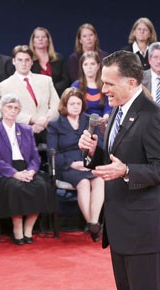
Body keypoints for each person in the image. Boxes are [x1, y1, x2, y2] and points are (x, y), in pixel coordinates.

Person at [78, 50, 160, 290]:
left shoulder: (153, 116)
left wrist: (127, 171)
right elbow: (116, 161)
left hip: (144, 230)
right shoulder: (116, 111)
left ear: (131, 83)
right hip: (120, 226)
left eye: (109, 83)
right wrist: (94, 153)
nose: (103, 89)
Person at [0, 93, 55, 245]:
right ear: (1, 109)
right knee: (15, 187)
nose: (13, 110)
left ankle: (28, 228)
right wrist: (15, 174)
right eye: (9, 107)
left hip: (26, 168)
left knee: (41, 185)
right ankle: (17, 228)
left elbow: (35, 157)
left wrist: (31, 171)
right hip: (5, 171)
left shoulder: (26, 130)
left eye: (16, 108)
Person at [47, 87, 104, 242]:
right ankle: (93, 224)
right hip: (67, 166)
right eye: (71, 103)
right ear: (64, 105)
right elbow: (52, 152)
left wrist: (90, 161)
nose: (75, 106)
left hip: (89, 163)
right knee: (84, 183)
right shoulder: (55, 125)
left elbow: (101, 146)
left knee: (99, 180)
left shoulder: (90, 122)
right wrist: (72, 164)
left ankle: (93, 223)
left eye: (78, 103)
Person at [0, 44, 60, 145]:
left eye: (27, 60)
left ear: (31, 62)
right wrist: (32, 120)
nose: (24, 63)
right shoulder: (5, 86)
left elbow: (56, 105)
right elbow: (6, 112)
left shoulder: (46, 80)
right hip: (21, 131)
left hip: (46, 128)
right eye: (20, 60)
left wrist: (44, 121)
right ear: (14, 61)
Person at [71, 51, 111, 127]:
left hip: (102, 123)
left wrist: (105, 118)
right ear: (82, 67)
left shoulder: (105, 85)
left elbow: (109, 106)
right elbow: (73, 109)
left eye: (92, 64)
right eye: (85, 64)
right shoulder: (76, 86)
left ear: (98, 65)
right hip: (81, 124)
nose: (89, 67)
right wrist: (91, 120)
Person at [29, 26, 70, 96]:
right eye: (37, 37)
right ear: (33, 42)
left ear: (48, 41)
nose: (40, 39)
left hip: (57, 95)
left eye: (43, 37)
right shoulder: (28, 60)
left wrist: (52, 90)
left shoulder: (58, 58)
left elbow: (65, 80)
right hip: (36, 96)